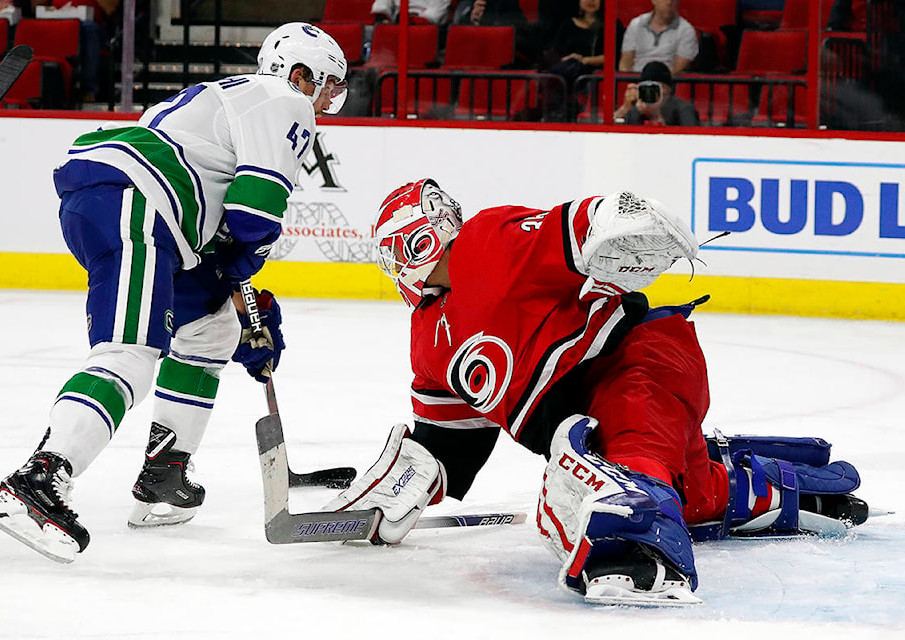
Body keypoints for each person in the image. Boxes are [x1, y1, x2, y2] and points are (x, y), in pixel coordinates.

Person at [323, 179, 871, 605]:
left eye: (393, 254)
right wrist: (401, 485)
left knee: (625, 454)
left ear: (418, 239)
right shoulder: (428, 343)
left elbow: (573, 229)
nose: (392, 269)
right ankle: (762, 486)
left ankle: (639, 539)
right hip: (597, 428)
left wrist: (619, 219)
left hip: (638, 360)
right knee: (689, 494)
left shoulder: (485, 244)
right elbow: (450, 440)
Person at [0, 22, 348, 563]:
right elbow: (252, 214)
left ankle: (164, 473)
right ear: (300, 74)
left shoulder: (227, 103)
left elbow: (220, 225)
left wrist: (237, 299)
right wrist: (244, 270)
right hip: (136, 203)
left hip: (141, 210)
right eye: (329, 84)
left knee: (213, 326)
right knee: (129, 352)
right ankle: (41, 477)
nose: (331, 97)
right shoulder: (285, 101)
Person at [538, 0, 624, 120]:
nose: (591, 1)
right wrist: (568, 58)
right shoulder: (567, 25)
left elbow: (614, 57)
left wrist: (585, 60)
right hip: (568, 73)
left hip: (595, 75)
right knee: (555, 78)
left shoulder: (611, 25)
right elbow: (555, 53)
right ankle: (552, 116)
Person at [619, 0, 698, 74]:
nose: (669, 2)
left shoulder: (686, 30)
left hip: (668, 83)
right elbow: (625, 64)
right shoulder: (636, 24)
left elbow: (678, 70)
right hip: (636, 80)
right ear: (654, 1)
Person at [614, 60, 699, 125]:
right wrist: (624, 108)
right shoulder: (635, 110)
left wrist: (655, 115)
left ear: (667, 89)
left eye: (654, 87)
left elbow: (690, 139)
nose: (650, 92)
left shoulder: (684, 109)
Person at [370, 0, 451, 25]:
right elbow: (383, 3)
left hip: (426, 26)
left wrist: (416, 21)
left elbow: (435, 11)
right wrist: (383, 17)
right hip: (397, 22)